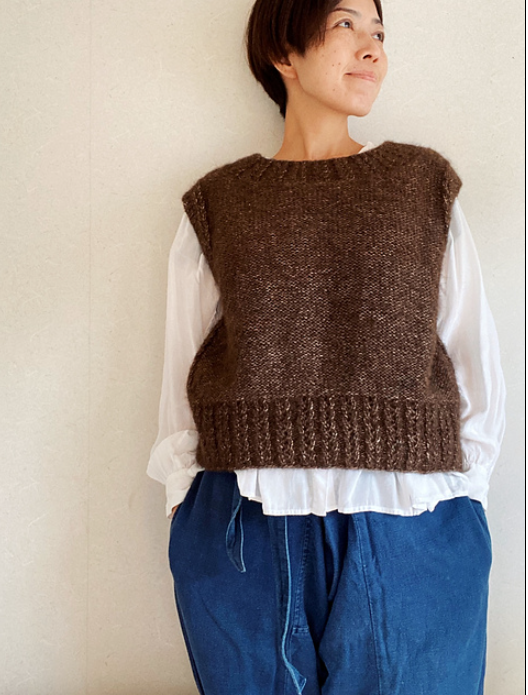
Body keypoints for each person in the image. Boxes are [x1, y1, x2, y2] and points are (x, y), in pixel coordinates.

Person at [147, 0, 506, 692]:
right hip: (244, 523)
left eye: (379, 33)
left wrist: (465, 498)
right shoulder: (220, 202)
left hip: (413, 520)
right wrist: (185, 502)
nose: (372, 49)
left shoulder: (423, 186)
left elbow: (472, 351)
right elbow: (181, 364)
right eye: (346, 25)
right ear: (283, 51)